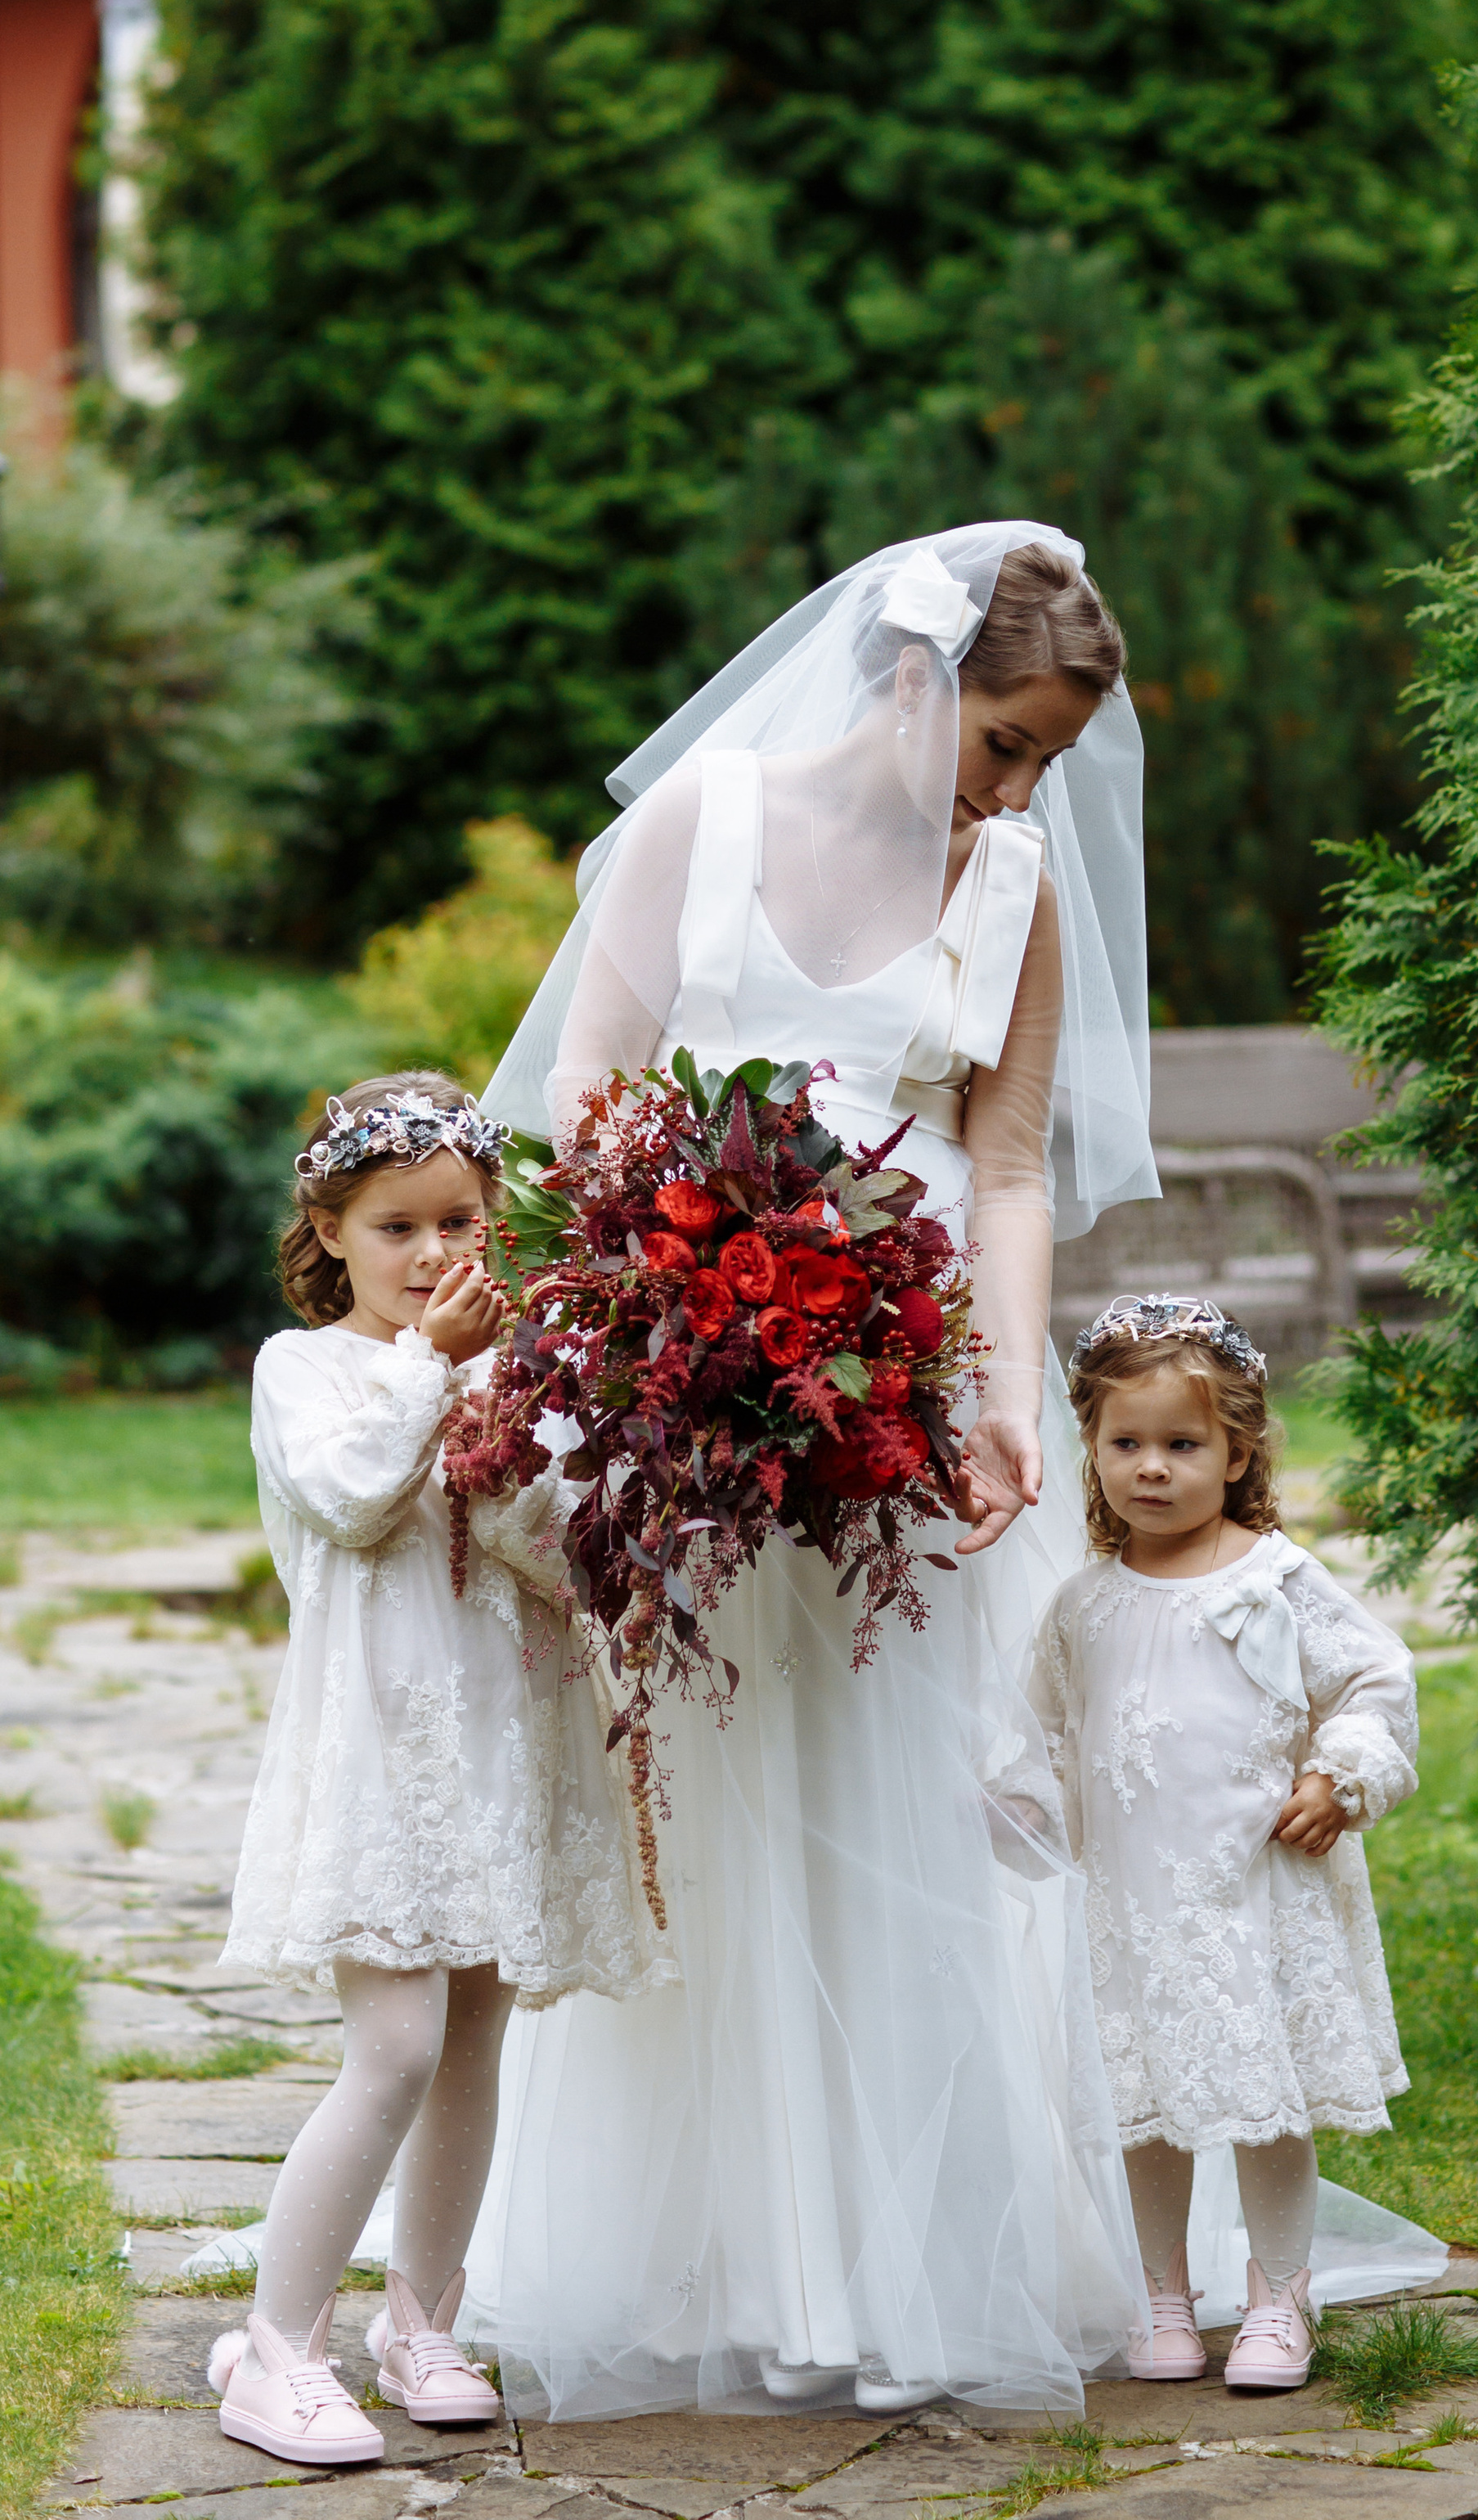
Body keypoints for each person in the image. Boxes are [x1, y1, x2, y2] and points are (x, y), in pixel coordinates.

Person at [468, 524, 1157, 2420]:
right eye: (1005, 743)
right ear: (913, 682)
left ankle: (903, 2269)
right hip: (690, 1369)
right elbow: (594, 1090)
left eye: (1044, 766)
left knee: (901, 1799)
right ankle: (695, 2257)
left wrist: (1003, 1391)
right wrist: (645, 1324)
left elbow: (1004, 1164)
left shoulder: (1007, 879)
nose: (1015, 793)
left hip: (907, 1397)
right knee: (699, 1806)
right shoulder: (709, 814)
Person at [209, 1074, 670, 2470]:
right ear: (334, 1232)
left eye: (457, 1222)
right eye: (396, 1226)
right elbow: (350, 1500)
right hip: (389, 1749)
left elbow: (558, 1556)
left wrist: (509, 1438)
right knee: (394, 2045)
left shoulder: (508, 1370)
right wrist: (432, 1383)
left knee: (476, 2036)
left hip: (507, 1741)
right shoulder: (308, 1370)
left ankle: (424, 2319)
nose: (431, 1255)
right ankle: (279, 2347)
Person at [1035, 1293, 1444, 2395]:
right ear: (1092, 1449)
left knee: (1267, 2100)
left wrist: (1340, 1774)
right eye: (1127, 1444)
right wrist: (1019, 1809)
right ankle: (1164, 2293)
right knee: (1148, 2103)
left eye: (1181, 1444)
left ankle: (1279, 2293)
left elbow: (1374, 1676)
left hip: (1256, 1892)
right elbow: (1047, 1734)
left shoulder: (1273, 1581)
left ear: (1237, 1449)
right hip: (1134, 1903)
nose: (1152, 1468)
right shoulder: (1083, 1606)